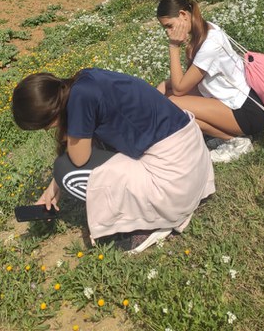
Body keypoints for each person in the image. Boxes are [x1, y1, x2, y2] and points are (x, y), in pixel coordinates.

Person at [11, 66, 215, 254]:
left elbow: (78, 160)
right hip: (194, 164)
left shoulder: (80, 99)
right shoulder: (84, 80)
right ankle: (152, 208)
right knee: (76, 161)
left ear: (50, 117)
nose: (49, 130)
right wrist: (51, 190)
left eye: (45, 127)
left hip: (174, 184)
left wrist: (58, 179)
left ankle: (147, 224)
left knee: (66, 171)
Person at [156, 0, 264, 163]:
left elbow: (180, 89)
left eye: (170, 26)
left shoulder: (210, 44)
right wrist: (162, 87)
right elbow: (183, 83)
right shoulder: (205, 29)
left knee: (172, 104)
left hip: (247, 112)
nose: (168, 33)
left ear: (183, 15)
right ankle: (225, 135)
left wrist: (173, 46)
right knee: (165, 92)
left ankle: (236, 141)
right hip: (233, 101)